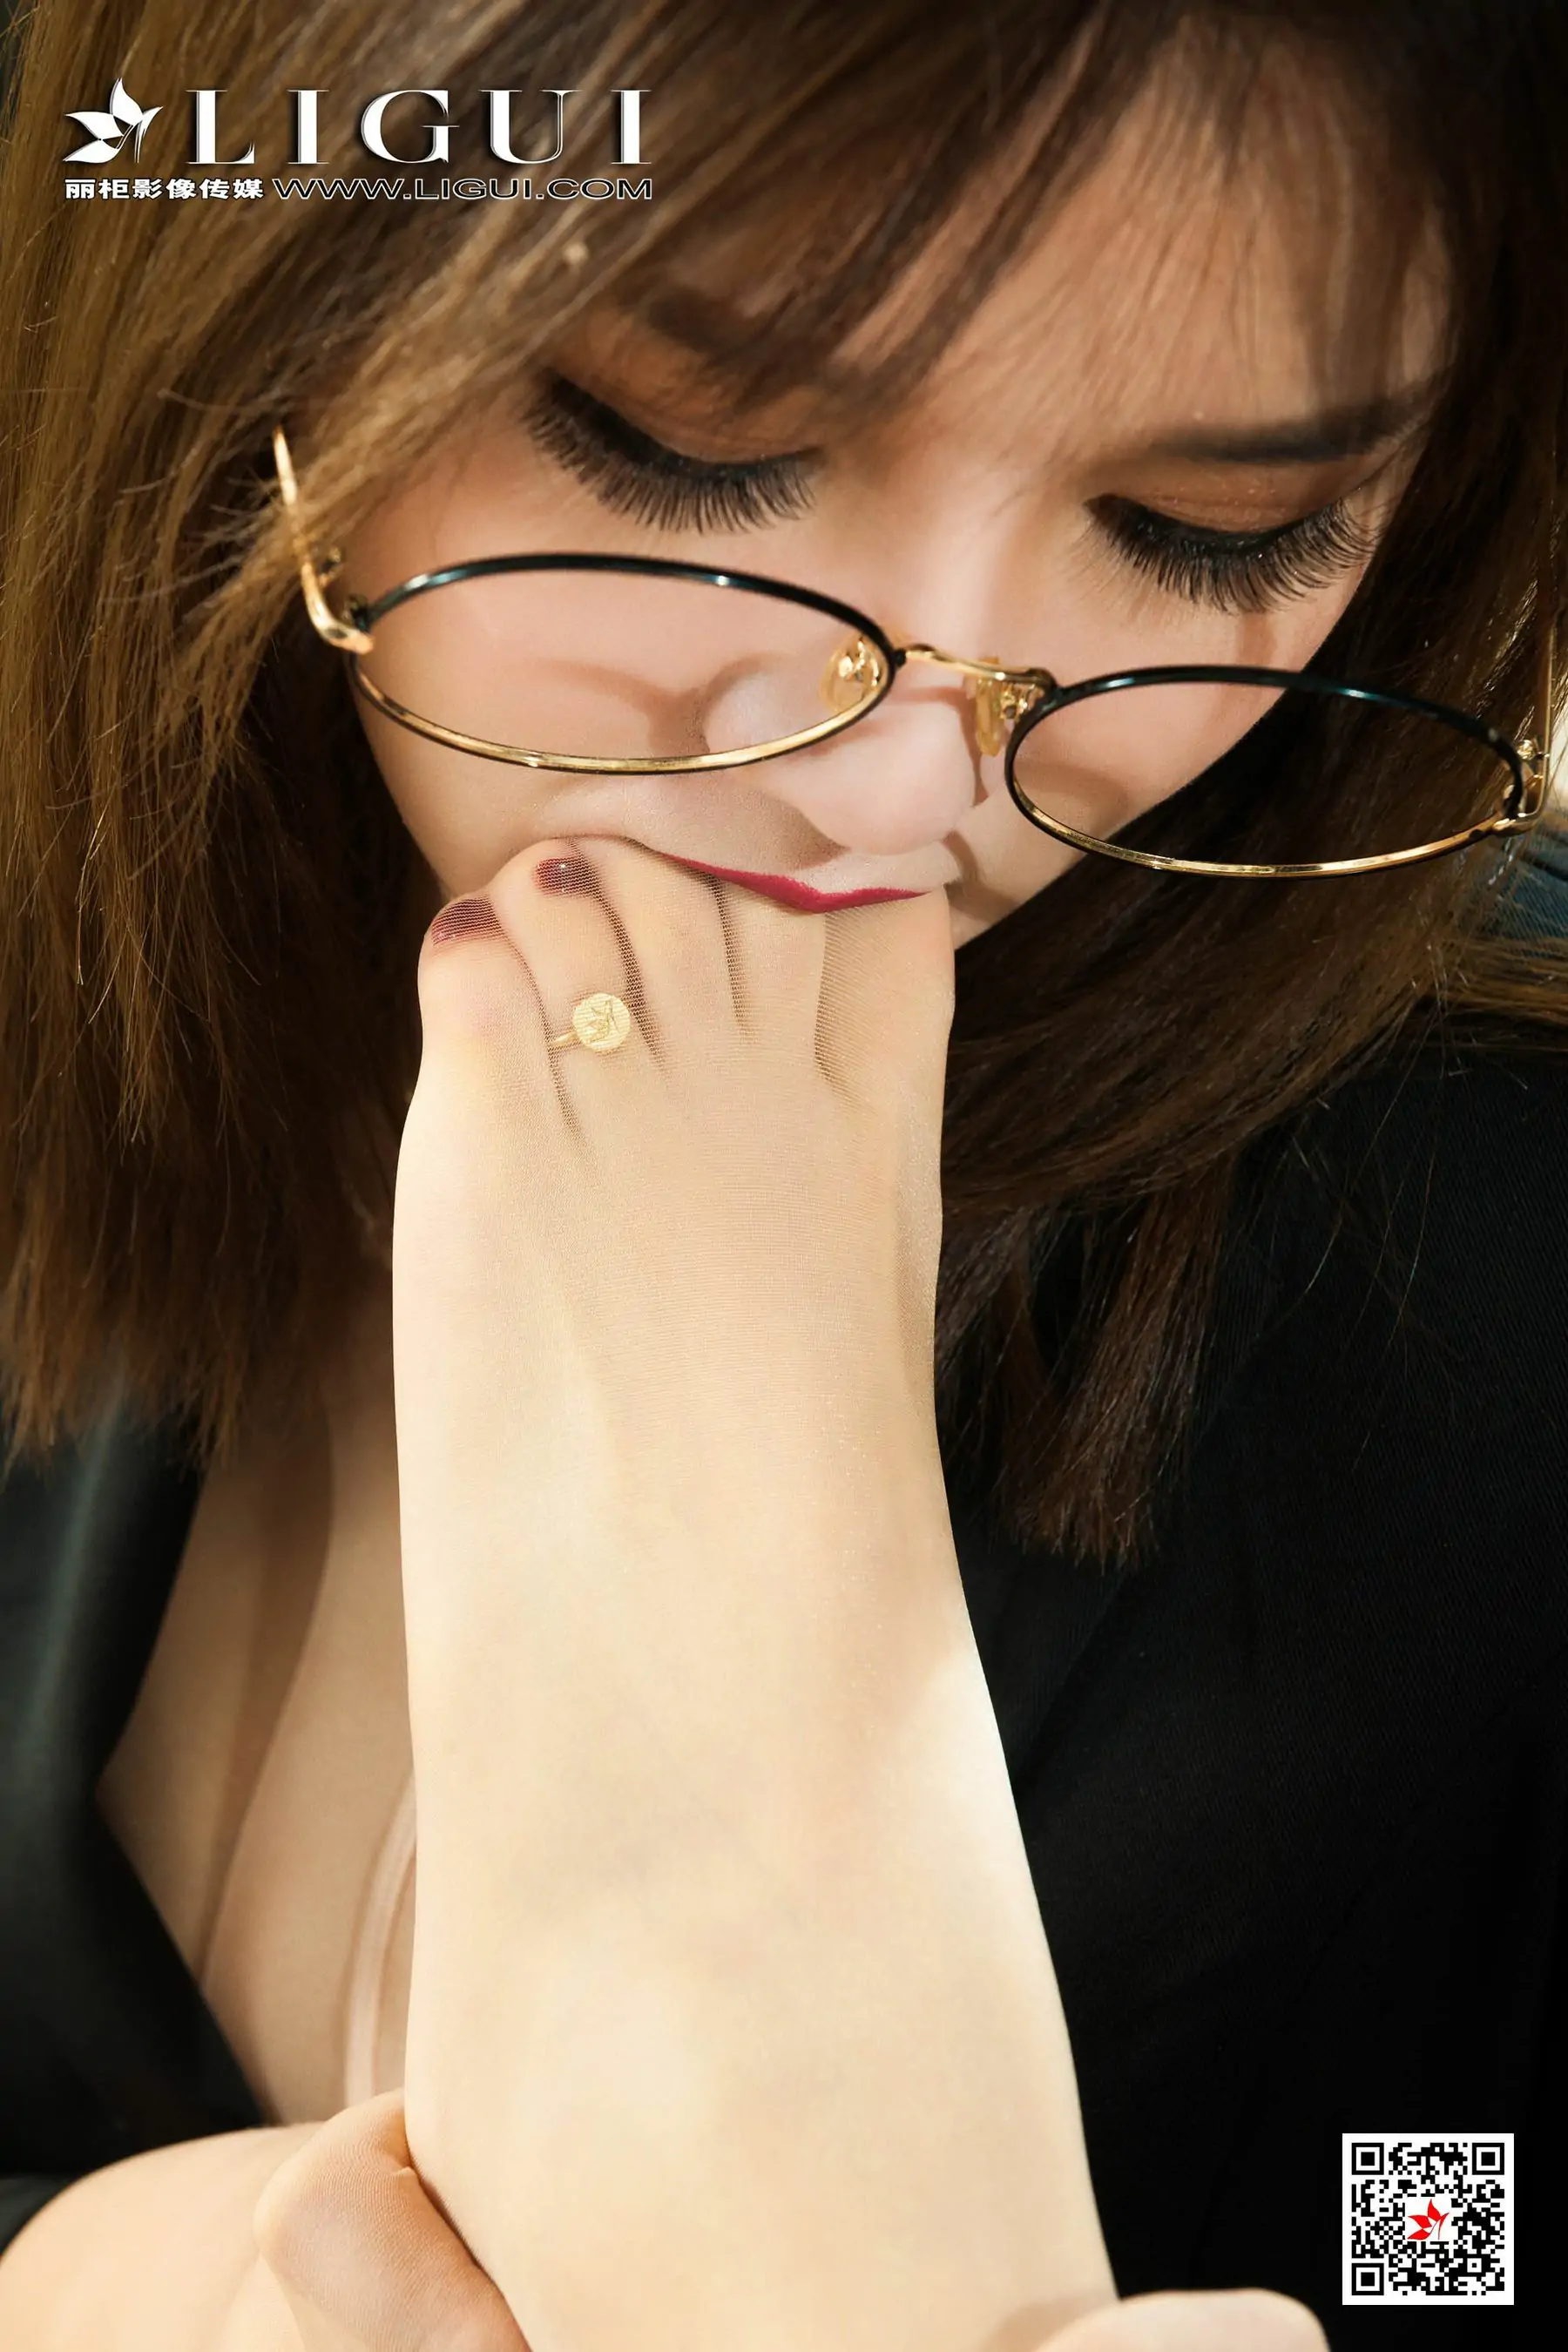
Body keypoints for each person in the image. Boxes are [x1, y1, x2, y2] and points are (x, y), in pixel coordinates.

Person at [0, 0, 1565, 2346]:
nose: (902, 776)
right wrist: (139, 2282)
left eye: (1213, 532)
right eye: (690, 448)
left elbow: (1450, 2209)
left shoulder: (1490, 1277)